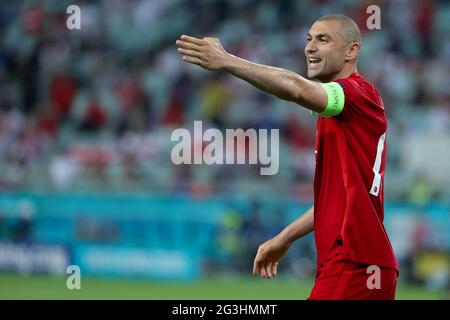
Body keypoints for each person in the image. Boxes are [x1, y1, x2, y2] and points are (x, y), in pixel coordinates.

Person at [175, 14, 398, 300]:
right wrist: (285, 237)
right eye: (308, 39)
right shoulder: (340, 115)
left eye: (323, 39)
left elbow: (295, 88)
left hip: (353, 262)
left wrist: (228, 60)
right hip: (367, 264)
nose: (310, 47)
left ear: (352, 50)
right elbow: (334, 200)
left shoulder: (356, 94)